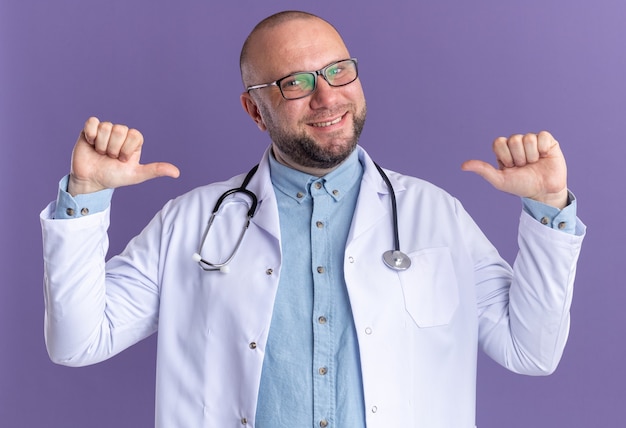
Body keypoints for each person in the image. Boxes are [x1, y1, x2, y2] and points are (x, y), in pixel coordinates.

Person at [40, 10, 585, 428]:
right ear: (255, 110)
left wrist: (546, 211)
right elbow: (79, 341)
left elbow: (529, 350)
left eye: (337, 71)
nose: (327, 97)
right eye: (295, 83)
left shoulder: (435, 215)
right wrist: (86, 197)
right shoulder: (191, 223)